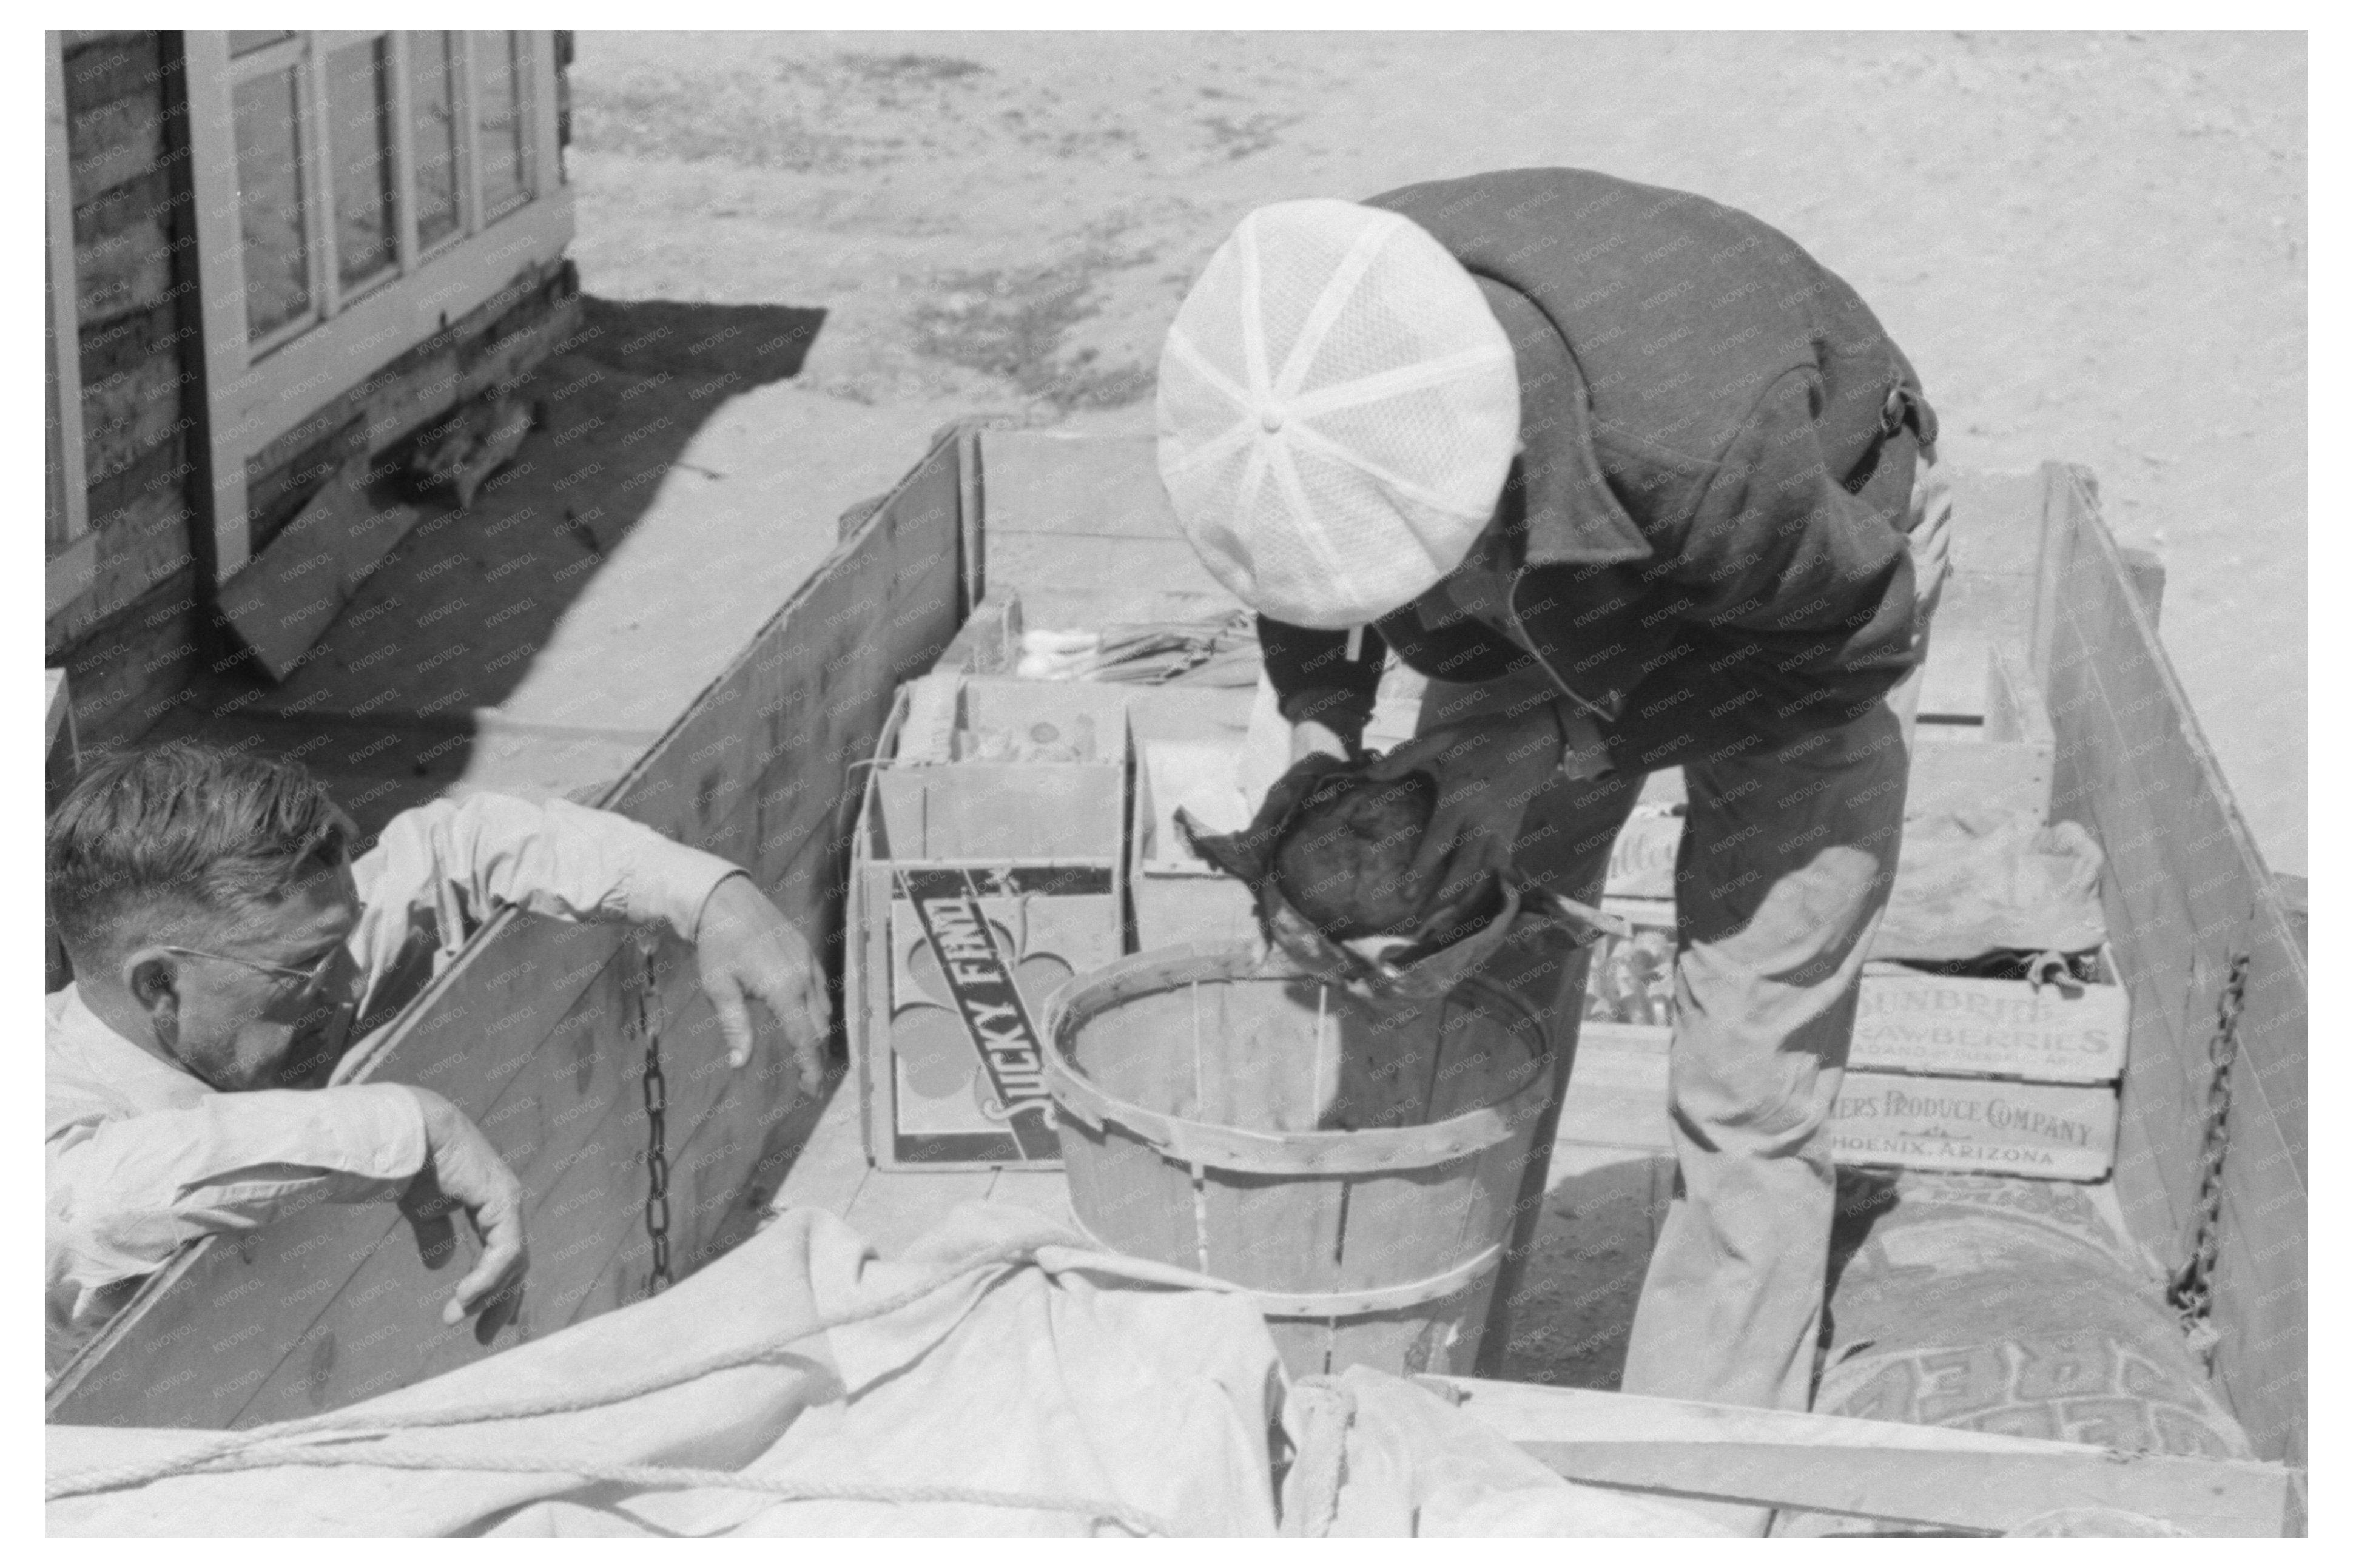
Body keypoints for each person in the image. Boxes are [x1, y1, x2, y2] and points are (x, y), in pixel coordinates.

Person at [1156, 169, 1953, 1435]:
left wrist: (1542, 743)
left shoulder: (1710, 453)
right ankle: (1417, 1381)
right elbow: (1297, 536)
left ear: (1483, 493)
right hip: (1581, 518)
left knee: (1748, 1063)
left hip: (1805, 610)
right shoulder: (1331, 343)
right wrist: (1317, 722)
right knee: (1466, 974)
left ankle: (1691, 1478)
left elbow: (1845, 653)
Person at [45, 740, 830, 1375]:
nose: (346, 985)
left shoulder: (285, 959)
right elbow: (81, 1205)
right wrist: (411, 1125)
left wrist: (713, 894)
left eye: (344, 943)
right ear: (159, 985)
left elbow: (461, 845)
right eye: (308, 972)